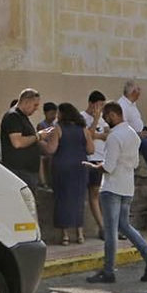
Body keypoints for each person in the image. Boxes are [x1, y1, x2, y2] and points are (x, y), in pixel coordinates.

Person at [85, 102, 147, 284]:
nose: (105, 120)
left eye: (106, 116)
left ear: (113, 115)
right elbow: (135, 163)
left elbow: (109, 167)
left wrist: (94, 166)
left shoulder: (114, 137)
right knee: (124, 226)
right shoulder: (132, 135)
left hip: (112, 187)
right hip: (127, 185)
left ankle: (108, 271)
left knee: (111, 231)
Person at [50, 100, 93, 244]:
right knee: (79, 199)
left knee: (63, 199)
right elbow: (91, 150)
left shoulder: (58, 128)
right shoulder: (83, 129)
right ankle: (80, 234)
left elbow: (51, 149)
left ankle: (66, 235)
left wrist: (40, 142)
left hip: (62, 166)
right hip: (80, 167)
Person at [0, 89, 56, 189]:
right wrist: (39, 136)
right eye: (35, 105)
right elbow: (17, 142)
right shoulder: (13, 116)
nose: (36, 108)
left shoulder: (22, 117)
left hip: (27, 172)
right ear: (26, 102)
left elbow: (30, 139)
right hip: (19, 171)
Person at [83, 90, 110, 239]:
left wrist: (96, 135)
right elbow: (88, 135)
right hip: (91, 158)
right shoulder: (83, 117)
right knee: (93, 194)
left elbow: (108, 135)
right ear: (92, 104)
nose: (101, 109)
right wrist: (95, 120)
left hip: (103, 158)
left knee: (104, 194)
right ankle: (102, 227)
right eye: (99, 105)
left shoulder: (103, 120)